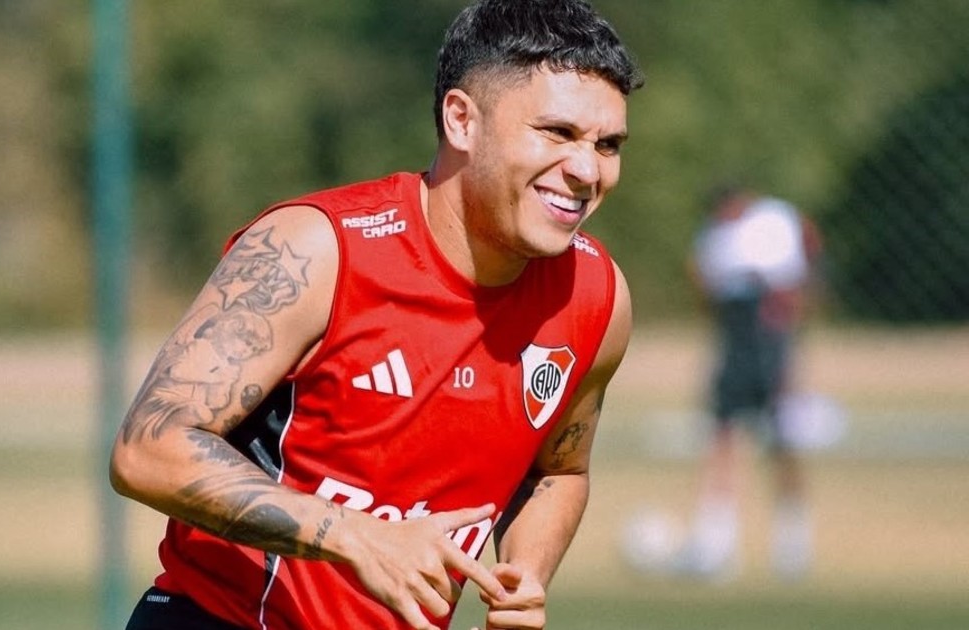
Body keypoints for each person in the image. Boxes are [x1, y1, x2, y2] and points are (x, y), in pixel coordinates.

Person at [110, 1, 644, 628]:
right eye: (556, 133)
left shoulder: (595, 296)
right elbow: (148, 450)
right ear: (462, 120)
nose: (587, 170)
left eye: (607, 145)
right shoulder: (316, 252)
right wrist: (353, 535)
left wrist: (523, 575)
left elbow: (559, 471)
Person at [674, 185, 823, 581]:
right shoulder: (715, 240)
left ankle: (793, 542)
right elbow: (709, 294)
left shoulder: (773, 223)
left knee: (783, 441)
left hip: (770, 346)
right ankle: (717, 544)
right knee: (723, 438)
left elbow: (792, 290)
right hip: (736, 346)